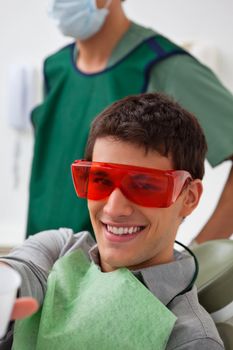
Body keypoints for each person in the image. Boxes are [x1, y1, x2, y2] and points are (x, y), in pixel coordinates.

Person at [0, 93, 224, 349]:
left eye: (144, 185)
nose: (114, 207)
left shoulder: (190, 339)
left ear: (189, 198)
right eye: (101, 181)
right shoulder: (58, 250)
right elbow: (17, 270)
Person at [26, 0, 233, 244]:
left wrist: (200, 258)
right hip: (41, 262)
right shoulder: (55, 68)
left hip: (115, 272)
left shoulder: (164, 67)